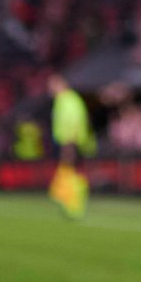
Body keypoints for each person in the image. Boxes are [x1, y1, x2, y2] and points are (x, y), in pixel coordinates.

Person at [47, 74, 92, 220]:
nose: (50, 89)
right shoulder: (66, 100)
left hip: (70, 142)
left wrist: (69, 142)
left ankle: (73, 204)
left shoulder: (67, 100)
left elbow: (73, 121)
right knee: (70, 172)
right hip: (69, 141)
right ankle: (69, 201)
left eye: (52, 85)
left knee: (70, 172)